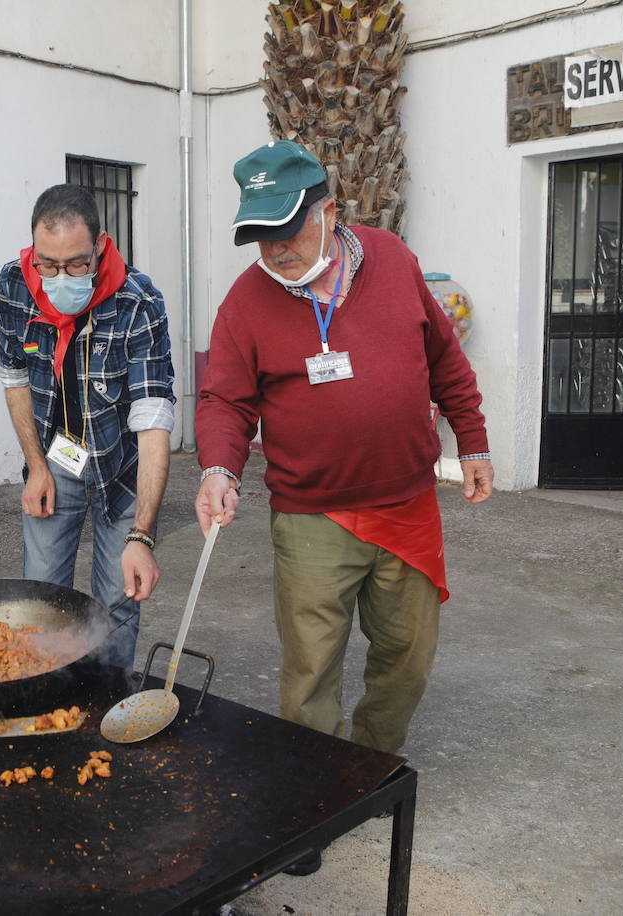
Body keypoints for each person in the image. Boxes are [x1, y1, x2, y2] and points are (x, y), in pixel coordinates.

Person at [196, 139, 493, 769]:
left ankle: (371, 765)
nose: (276, 248)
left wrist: (473, 440)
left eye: (288, 227)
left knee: (406, 659)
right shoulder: (246, 302)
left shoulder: (392, 259)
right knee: (311, 672)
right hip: (312, 516)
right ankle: (313, 796)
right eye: (260, 234)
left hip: (406, 503)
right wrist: (219, 471)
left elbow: (444, 356)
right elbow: (224, 399)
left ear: (329, 211)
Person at [0, 184, 176, 668]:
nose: (60, 277)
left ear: (100, 245)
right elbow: (15, 377)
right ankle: (40, 702)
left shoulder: (139, 301)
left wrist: (142, 534)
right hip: (55, 460)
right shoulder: (15, 284)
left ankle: (105, 708)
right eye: (48, 264)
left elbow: (154, 418)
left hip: (122, 473)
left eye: (76, 264)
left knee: (117, 606)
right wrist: (35, 465)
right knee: (39, 603)